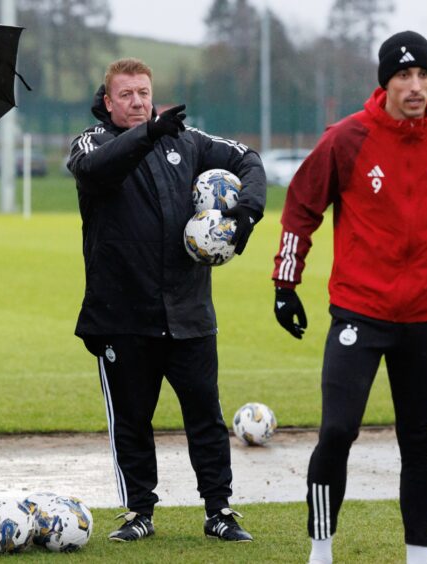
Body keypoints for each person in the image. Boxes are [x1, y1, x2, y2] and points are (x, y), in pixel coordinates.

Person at [271, 32, 427, 564]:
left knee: (420, 443)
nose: (416, 86)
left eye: (423, 75)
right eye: (404, 76)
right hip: (360, 310)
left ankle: (419, 558)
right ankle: (320, 550)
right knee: (336, 430)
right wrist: (286, 284)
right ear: (385, 83)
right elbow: (301, 207)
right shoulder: (347, 139)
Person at [68, 58, 266, 543]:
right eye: (127, 94)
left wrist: (244, 216)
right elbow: (96, 170)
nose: (137, 101)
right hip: (121, 316)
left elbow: (249, 161)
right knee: (132, 420)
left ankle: (219, 510)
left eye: (143, 92)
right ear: (108, 101)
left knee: (206, 416)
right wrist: (150, 134)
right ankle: (139, 512)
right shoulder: (92, 142)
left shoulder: (188, 140)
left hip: (188, 312)